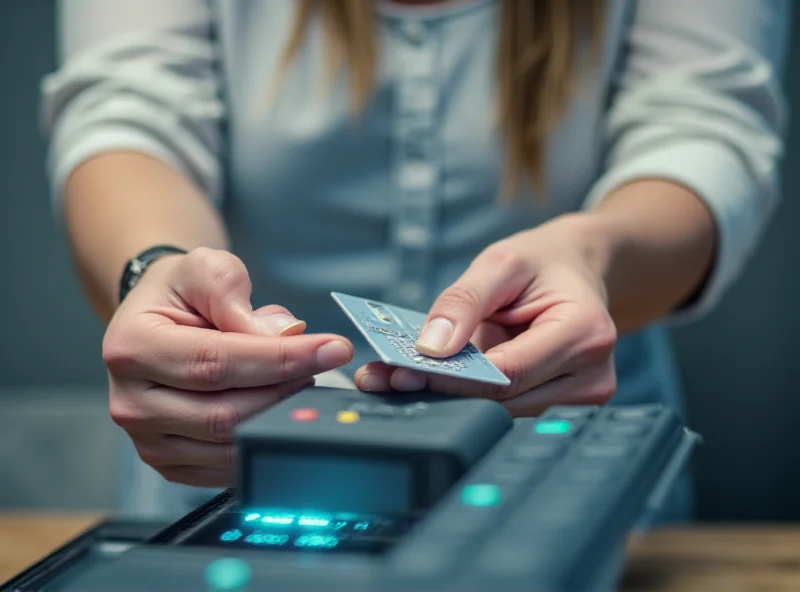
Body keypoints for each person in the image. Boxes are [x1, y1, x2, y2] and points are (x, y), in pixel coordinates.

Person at [41, 0, 788, 522]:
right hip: (226, 472)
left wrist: (591, 258)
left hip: (570, 478)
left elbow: (703, 127)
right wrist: (158, 269)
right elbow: (127, 111)